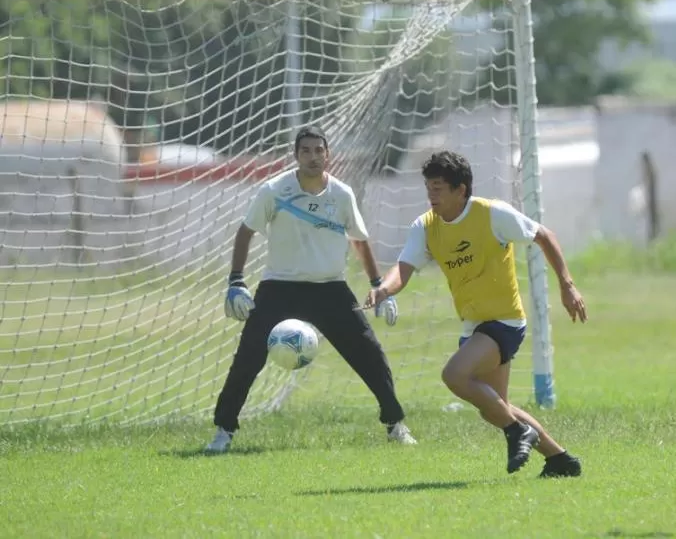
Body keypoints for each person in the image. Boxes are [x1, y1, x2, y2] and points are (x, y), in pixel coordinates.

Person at [366, 150, 585, 477]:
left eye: (438, 188)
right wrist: (384, 288)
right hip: (474, 325)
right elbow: (403, 268)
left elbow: (543, 235)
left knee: (454, 375)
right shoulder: (425, 227)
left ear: (461, 190)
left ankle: (517, 433)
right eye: (428, 187)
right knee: (495, 407)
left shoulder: (492, 214)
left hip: (505, 321)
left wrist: (567, 285)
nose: (431, 195)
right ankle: (560, 460)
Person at [205, 125, 417, 453]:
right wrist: (236, 281)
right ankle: (223, 432)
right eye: (306, 151)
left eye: (319, 150)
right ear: (296, 156)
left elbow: (359, 241)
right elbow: (246, 232)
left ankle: (395, 425)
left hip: (330, 290)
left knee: (370, 354)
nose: (313, 156)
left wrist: (379, 287)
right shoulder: (274, 190)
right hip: (279, 289)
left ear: (328, 154)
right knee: (248, 358)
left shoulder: (342, 194)